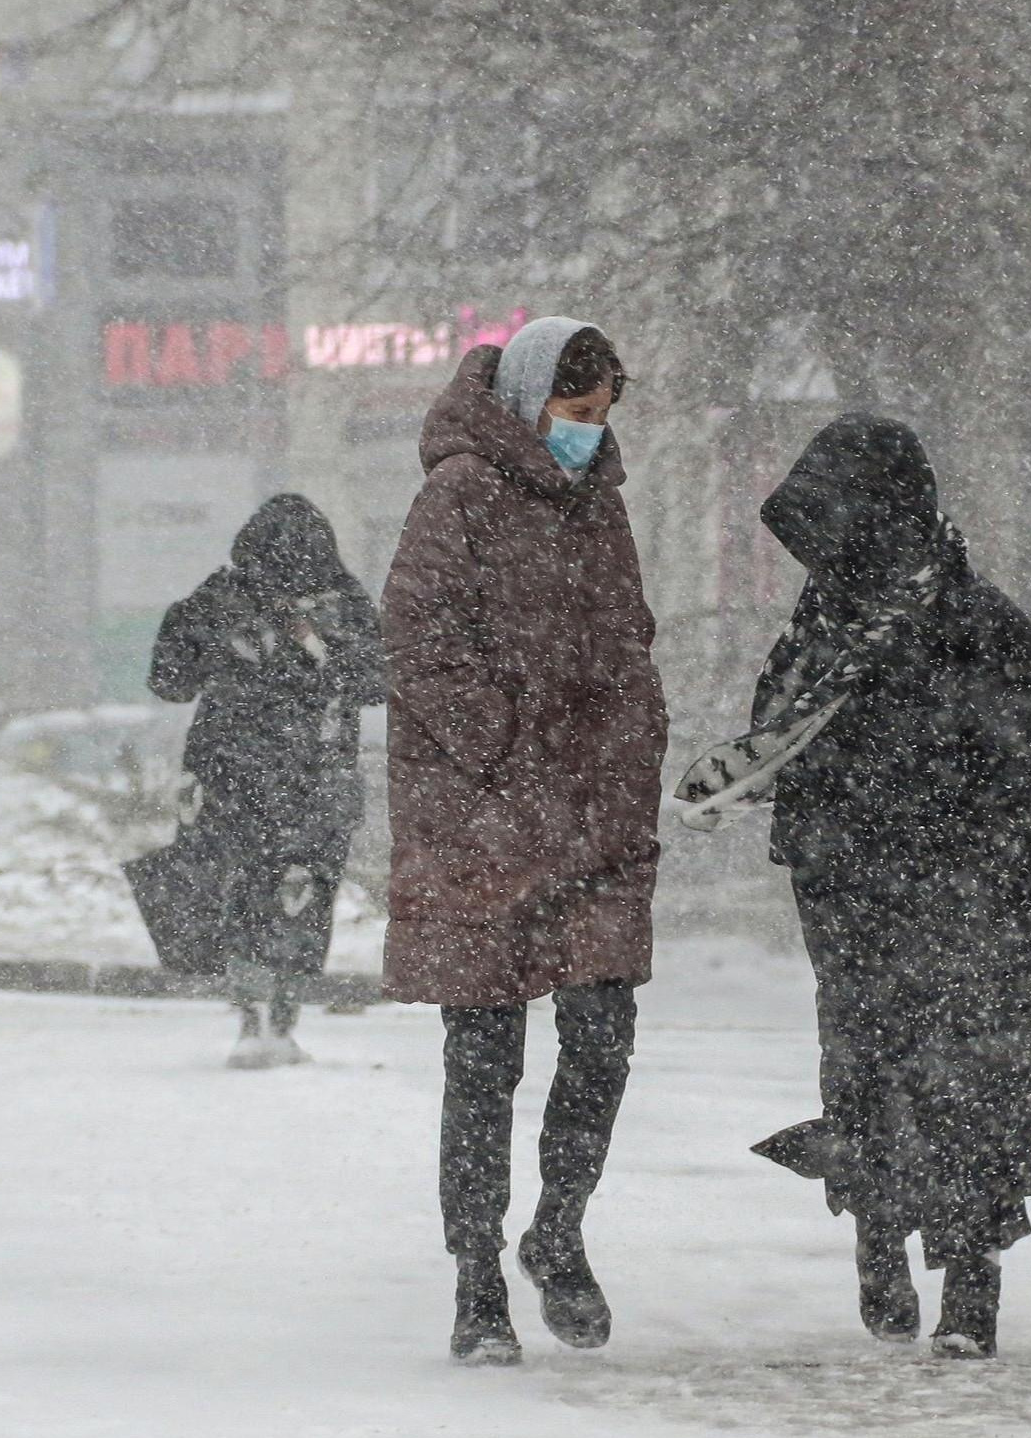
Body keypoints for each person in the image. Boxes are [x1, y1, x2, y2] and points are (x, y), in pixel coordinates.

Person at [676, 414, 1031, 1359]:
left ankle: (972, 1279)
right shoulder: (819, 635)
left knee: (979, 1085)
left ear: (887, 516)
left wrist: (965, 854)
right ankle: (878, 1240)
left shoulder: (982, 628)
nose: (825, 554)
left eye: (840, 525)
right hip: (857, 903)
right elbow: (777, 739)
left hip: (975, 910)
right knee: (869, 1072)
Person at [381, 317, 666, 1365]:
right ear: (529, 401)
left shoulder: (602, 509)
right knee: (484, 1059)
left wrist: (630, 745)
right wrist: (504, 739)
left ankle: (559, 1229)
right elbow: (415, 638)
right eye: (574, 414)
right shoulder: (458, 494)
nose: (587, 436)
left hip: (592, 820)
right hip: (483, 826)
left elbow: (629, 638)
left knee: (600, 1037)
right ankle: (475, 1281)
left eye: (599, 420)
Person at [135, 494, 385, 1069]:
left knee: (243, 891)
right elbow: (376, 683)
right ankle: (280, 1022)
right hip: (315, 776)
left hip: (235, 773)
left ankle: (253, 1020)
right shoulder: (341, 603)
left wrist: (206, 625)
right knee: (303, 894)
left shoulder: (223, 598)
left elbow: (169, 681)